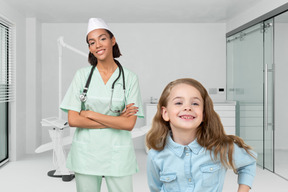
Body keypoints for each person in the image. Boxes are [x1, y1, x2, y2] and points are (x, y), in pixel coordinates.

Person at [60, 18, 144, 192]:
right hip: (86, 153)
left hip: (118, 153)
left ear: (113, 40)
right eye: (92, 42)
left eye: (102, 38)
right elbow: (73, 120)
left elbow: (128, 124)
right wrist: (116, 119)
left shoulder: (130, 78)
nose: (97, 44)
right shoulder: (82, 76)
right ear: (90, 48)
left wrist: (90, 114)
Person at [145, 78, 257, 192]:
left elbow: (248, 162)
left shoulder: (220, 147)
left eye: (195, 103)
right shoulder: (155, 155)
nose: (187, 107)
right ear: (165, 113)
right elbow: (156, 188)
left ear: (203, 114)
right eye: (178, 103)